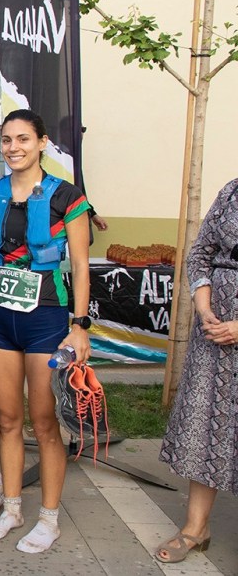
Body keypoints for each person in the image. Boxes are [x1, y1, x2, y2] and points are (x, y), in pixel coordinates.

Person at [0, 110, 92, 554]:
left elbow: (80, 265)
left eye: (23, 138)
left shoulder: (66, 197)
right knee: (8, 420)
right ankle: (13, 507)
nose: (13, 147)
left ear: (41, 143)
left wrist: (79, 326)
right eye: (7, 140)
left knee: (44, 421)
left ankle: (49, 517)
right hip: (0, 318)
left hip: (47, 318)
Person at [156, 177, 238, 563]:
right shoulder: (232, 192)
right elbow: (201, 254)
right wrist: (204, 310)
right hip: (213, 331)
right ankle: (196, 528)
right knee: (207, 426)